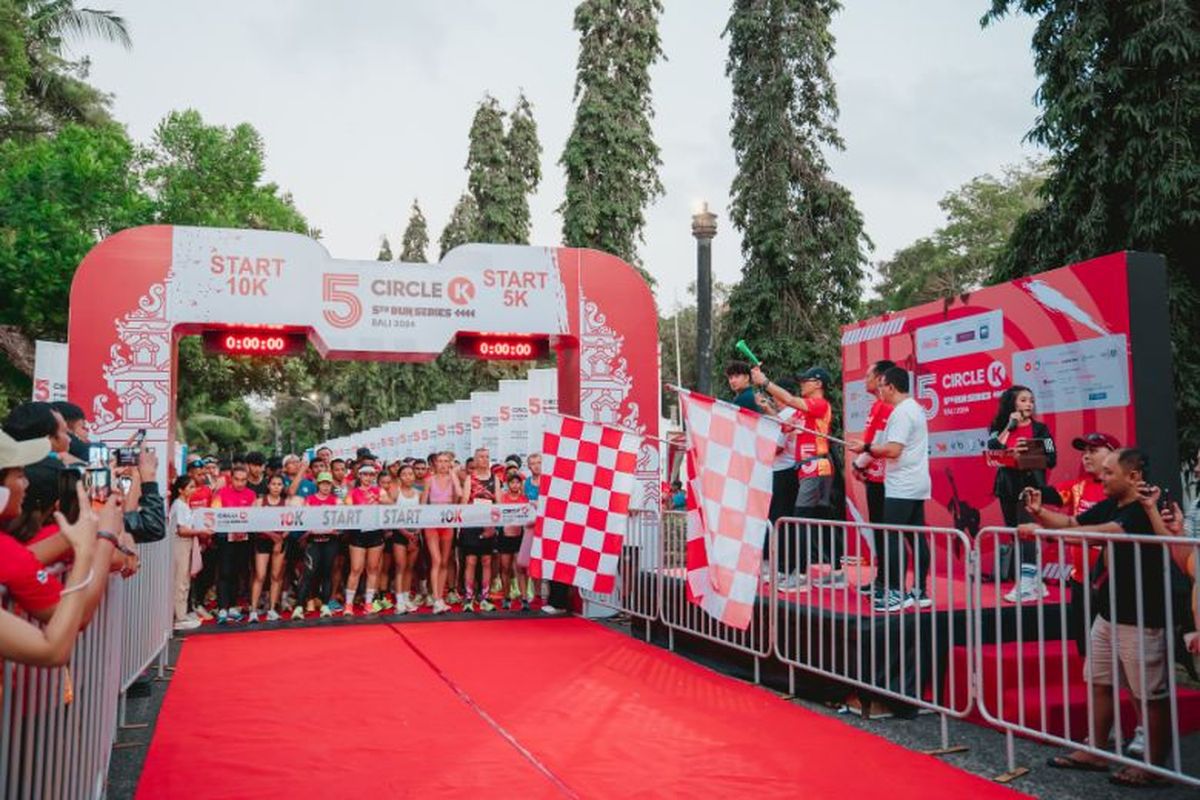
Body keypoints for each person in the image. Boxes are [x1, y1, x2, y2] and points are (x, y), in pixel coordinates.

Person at [1027, 449, 1173, 788]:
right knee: (1098, 680)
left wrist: (1039, 531)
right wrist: (1040, 514)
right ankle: (1096, 749)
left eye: (1109, 473)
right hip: (1109, 612)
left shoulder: (1144, 505)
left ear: (1132, 476)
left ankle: (1155, 764)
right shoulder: (1114, 502)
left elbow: (1100, 533)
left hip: (1140, 615)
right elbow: (1072, 523)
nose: (1101, 478)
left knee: (1148, 694)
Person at [849, 366, 931, 613]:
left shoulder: (902, 413)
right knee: (915, 537)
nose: (879, 389)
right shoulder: (913, 408)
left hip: (902, 485)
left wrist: (865, 448)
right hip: (915, 483)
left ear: (891, 387)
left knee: (893, 537)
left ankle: (896, 592)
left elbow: (893, 450)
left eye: (882, 385)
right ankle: (919, 591)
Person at [0, 480, 102, 667]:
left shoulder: (10, 549)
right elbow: (52, 651)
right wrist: (96, 544)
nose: (26, 482)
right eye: (19, 473)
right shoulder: (6, 550)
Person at [752, 365, 836, 590]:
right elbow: (785, 426)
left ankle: (799, 576)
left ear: (818, 384)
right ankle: (826, 572)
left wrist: (766, 382)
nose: (802, 383)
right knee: (811, 519)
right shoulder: (804, 411)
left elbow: (789, 399)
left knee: (799, 519)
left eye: (806, 380)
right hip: (806, 469)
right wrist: (768, 408)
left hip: (816, 467)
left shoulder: (819, 405)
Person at [1040, 432, 1119, 655]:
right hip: (1081, 581)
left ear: (1114, 455)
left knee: (1116, 648)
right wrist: (1027, 477)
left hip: (1114, 583)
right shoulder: (1078, 485)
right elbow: (1048, 495)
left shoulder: (1123, 492)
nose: (1086, 456)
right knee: (1086, 647)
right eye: (1084, 452)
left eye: (1093, 451)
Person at [986, 385, 1057, 601]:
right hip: (1007, 486)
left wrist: (1026, 455)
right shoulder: (1000, 426)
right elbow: (993, 447)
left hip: (1031, 486)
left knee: (1027, 532)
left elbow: (1052, 457)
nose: (1029, 404)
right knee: (1015, 532)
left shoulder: (1042, 430)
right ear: (1013, 403)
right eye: (1024, 400)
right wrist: (1010, 426)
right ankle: (1036, 582)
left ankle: (1026, 584)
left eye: (1031, 400)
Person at [851, 360, 896, 594]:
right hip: (874, 476)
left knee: (888, 533)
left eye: (868, 375)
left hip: (885, 479)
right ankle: (882, 580)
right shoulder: (877, 405)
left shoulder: (887, 407)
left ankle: (889, 583)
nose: (864, 379)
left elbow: (878, 443)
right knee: (880, 532)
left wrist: (858, 463)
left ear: (880, 378)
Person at [209, 464, 258, 624]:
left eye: (243, 480)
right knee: (224, 573)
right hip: (225, 540)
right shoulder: (221, 494)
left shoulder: (251, 494)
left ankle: (232, 607)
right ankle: (222, 608)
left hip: (244, 540)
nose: (240, 483)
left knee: (238, 573)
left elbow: (254, 516)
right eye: (237, 479)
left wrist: (244, 530)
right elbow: (214, 515)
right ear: (231, 479)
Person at [344, 462, 390, 615]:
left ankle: (369, 602)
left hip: (375, 533)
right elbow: (348, 508)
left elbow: (389, 503)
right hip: (358, 533)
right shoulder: (353, 492)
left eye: (371, 474)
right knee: (356, 569)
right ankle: (348, 604)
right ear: (359, 475)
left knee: (373, 569)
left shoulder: (379, 490)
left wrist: (380, 501)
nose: (368, 477)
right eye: (365, 474)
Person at [293, 472, 340, 619]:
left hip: (330, 541)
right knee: (308, 574)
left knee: (327, 573)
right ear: (318, 485)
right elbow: (303, 520)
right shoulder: (310, 500)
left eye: (328, 483)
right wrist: (308, 531)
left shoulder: (336, 501)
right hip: (313, 542)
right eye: (323, 483)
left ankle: (325, 605)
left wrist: (336, 530)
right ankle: (299, 607)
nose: (325, 486)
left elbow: (344, 522)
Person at [422, 452, 464, 614]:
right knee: (437, 560)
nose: (443, 464)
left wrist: (453, 474)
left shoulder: (454, 480)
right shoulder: (429, 480)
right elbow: (423, 503)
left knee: (445, 562)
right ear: (435, 463)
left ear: (451, 463)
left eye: (446, 461)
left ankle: (439, 598)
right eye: (440, 461)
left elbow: (459, 495)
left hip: (448, 524)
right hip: (431, 524)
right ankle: (436, 597)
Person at [459, 450, 499, 612]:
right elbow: (463, 500)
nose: (484, 460)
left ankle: (485, 597)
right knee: (470, 561)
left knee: (487, 561)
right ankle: (469, 597)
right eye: (481, 457)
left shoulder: (494, 479)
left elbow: (499, 503)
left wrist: (493, 526)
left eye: (487, 457)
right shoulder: (470, 478)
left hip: (488, 523)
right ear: (475, 460)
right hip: (471, 524)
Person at [169, 475, 210, 631]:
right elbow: (182, 530)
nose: (194, 490)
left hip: (186, 543)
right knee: (181, 580)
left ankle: (181, 613)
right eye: (190, 487)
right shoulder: (179, 505)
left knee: (184, 580)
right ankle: (179, 616)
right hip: (181, 544)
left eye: (194, 487)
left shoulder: (183, 505)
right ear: (181, 490)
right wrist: (200, 531)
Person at [249, 473, 288, 622]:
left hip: (279, 541)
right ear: (268, 485)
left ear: (282, 486)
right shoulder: (259, 502)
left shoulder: (286, 503)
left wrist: (280, 538)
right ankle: (253, 610)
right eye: (273, 484)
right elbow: (254, 522)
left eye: (279, 484)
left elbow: (291, 524)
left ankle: (272, 609)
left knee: (276, 576)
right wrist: (271, 534)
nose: (276, 487)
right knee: (260, 575)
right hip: (263, 540)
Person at [389, 463, 421, 613]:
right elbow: (391, 516)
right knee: (400, 566)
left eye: (411, 474)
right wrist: (405, 533)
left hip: (414, 535)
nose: (408, 477)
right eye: (405, 474)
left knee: (410, 567)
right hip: (399, 534)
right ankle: (399, 600)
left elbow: (423, 516)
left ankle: (407, 597)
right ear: (400, 477)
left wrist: (415, 533)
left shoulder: (418, 494)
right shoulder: (396, 492)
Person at [496, 469, 528, 610]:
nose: (515, 485)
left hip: (519, 537)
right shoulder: (503, 498)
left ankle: (524, 598)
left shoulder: (524, 499)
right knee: (505, 568)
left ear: (521, 484)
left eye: (517, 483)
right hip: (505, 537)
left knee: (520, 568)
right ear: (507, 484)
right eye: (512, 482)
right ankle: (506, 597)